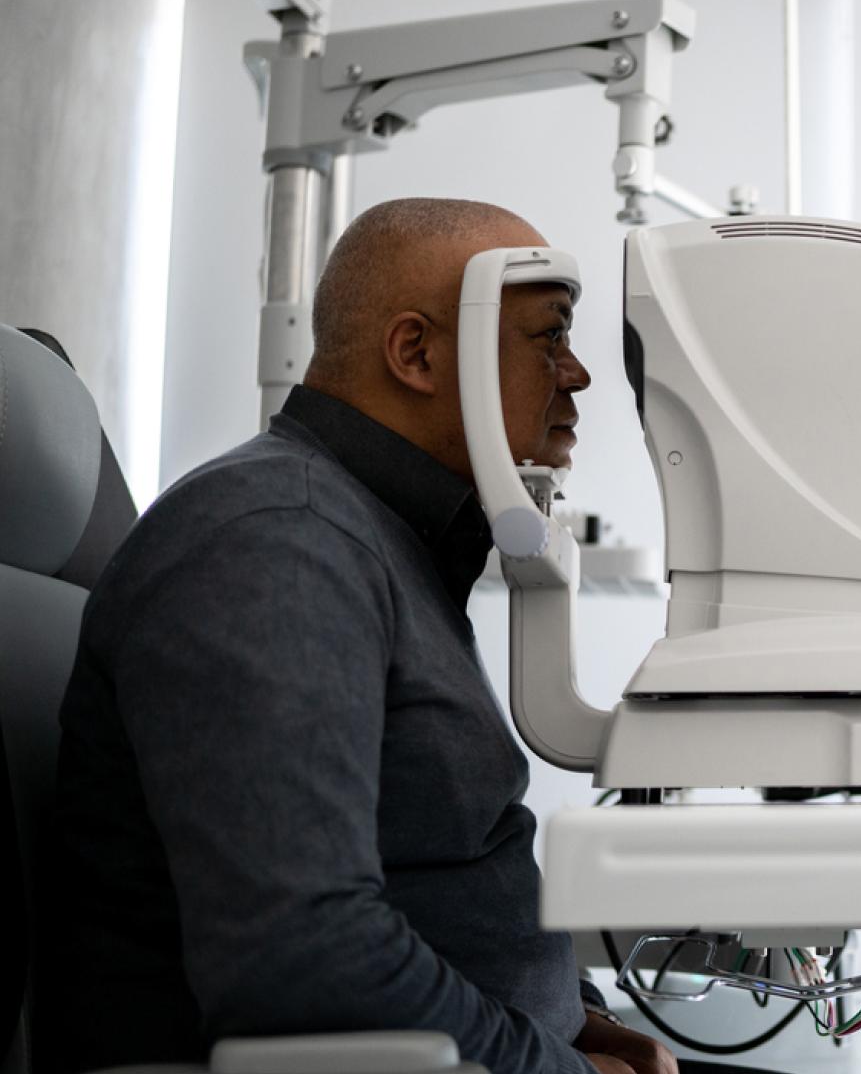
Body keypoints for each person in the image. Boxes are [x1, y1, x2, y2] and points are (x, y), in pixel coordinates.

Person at [39, 198, 676, 1074]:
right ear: (415, 353)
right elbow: (306, 960)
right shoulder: (274, 540)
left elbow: (441, 877)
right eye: (547, 338)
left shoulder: (384, 542)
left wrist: (581, 1021)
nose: (578, 376)